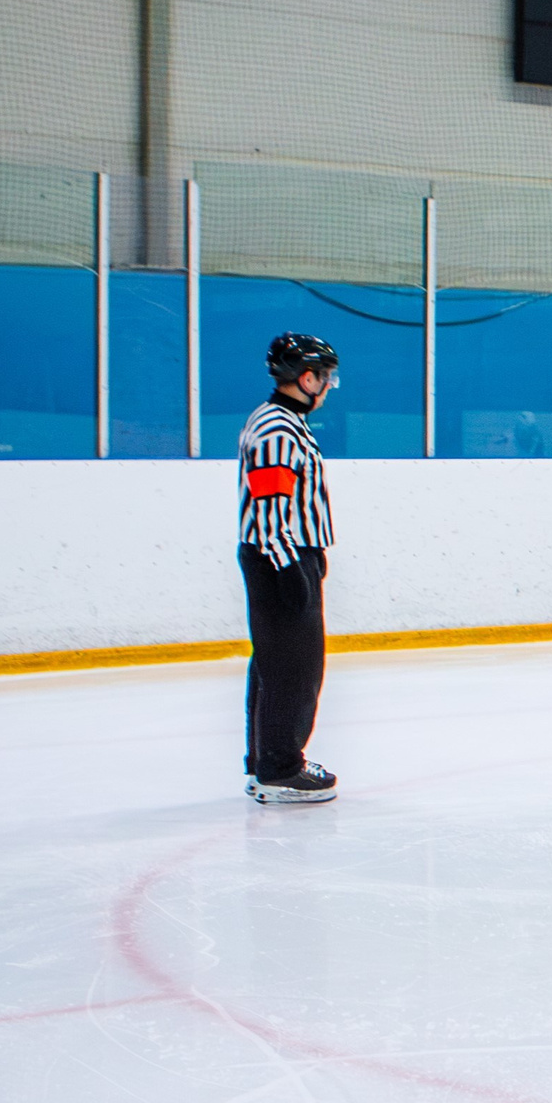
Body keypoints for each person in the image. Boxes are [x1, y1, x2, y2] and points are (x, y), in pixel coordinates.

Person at [238, 332, 341, 803]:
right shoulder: (277, 429)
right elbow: (269, 506)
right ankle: (280, 768)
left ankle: (266, 761)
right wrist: (289, 569)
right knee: (294, 670)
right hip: (280, 555)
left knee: (276, 665)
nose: (329, 385)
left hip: (285, 554)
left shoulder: (284, 422)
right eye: (326, 377)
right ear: (305, 379)